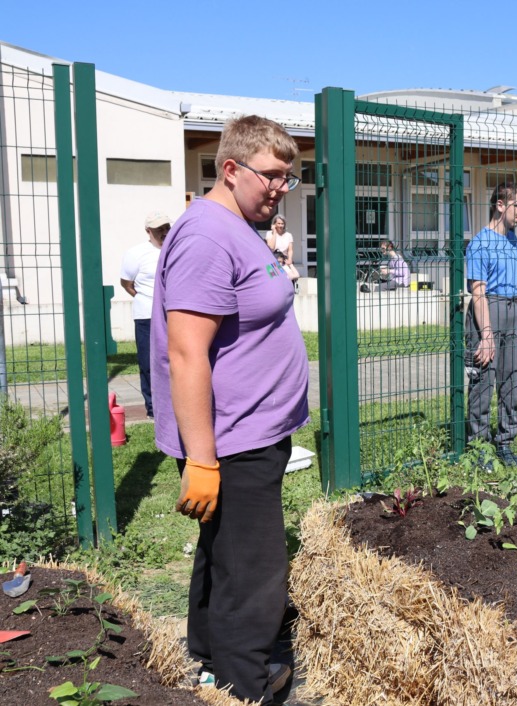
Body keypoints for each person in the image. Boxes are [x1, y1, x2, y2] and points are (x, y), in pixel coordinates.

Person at [150, 115, 308, 704]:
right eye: (270, 176)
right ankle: (246, 687)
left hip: (252, 433)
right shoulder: (208, 237)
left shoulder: (239, 224)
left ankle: (212, 661)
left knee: (225, 552)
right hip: (233, 441)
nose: (278, 188)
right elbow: (187, 353)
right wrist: (203, 460)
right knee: (254, 572)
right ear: (231, 169)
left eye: (287, 178)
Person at [465, 182, 517, 467]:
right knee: (483, 382)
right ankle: (478, 447)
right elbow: (478, 290)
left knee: (512, 379)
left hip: (511, 310)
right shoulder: (479, 243)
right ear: (500, 205)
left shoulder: (513, 240)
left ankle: (505, 443)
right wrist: (486, 335)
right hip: (487, 311)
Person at [119, 212, 169, 418]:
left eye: (167, 227)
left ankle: (171, 404)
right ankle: (152, 408)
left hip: (172, 314)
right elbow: (126, 283)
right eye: (159, 229)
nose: (164, 233)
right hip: (146, 315)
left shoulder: (175, 248)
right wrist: (145, 298)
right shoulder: (136, 253)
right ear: (148, 231)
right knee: (148, 363)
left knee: (173, 361)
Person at [266, 214, 298, 282]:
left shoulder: (288, 235)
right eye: (278, 223)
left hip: (284, 261)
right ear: (274, 224)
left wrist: (290, 259)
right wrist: (274, 232)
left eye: (282, 223)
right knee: (275, 281)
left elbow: (290, 250)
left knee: (292, 277)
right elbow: (271, 247)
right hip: (273, 262)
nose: (280, 225)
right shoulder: (269, 233)